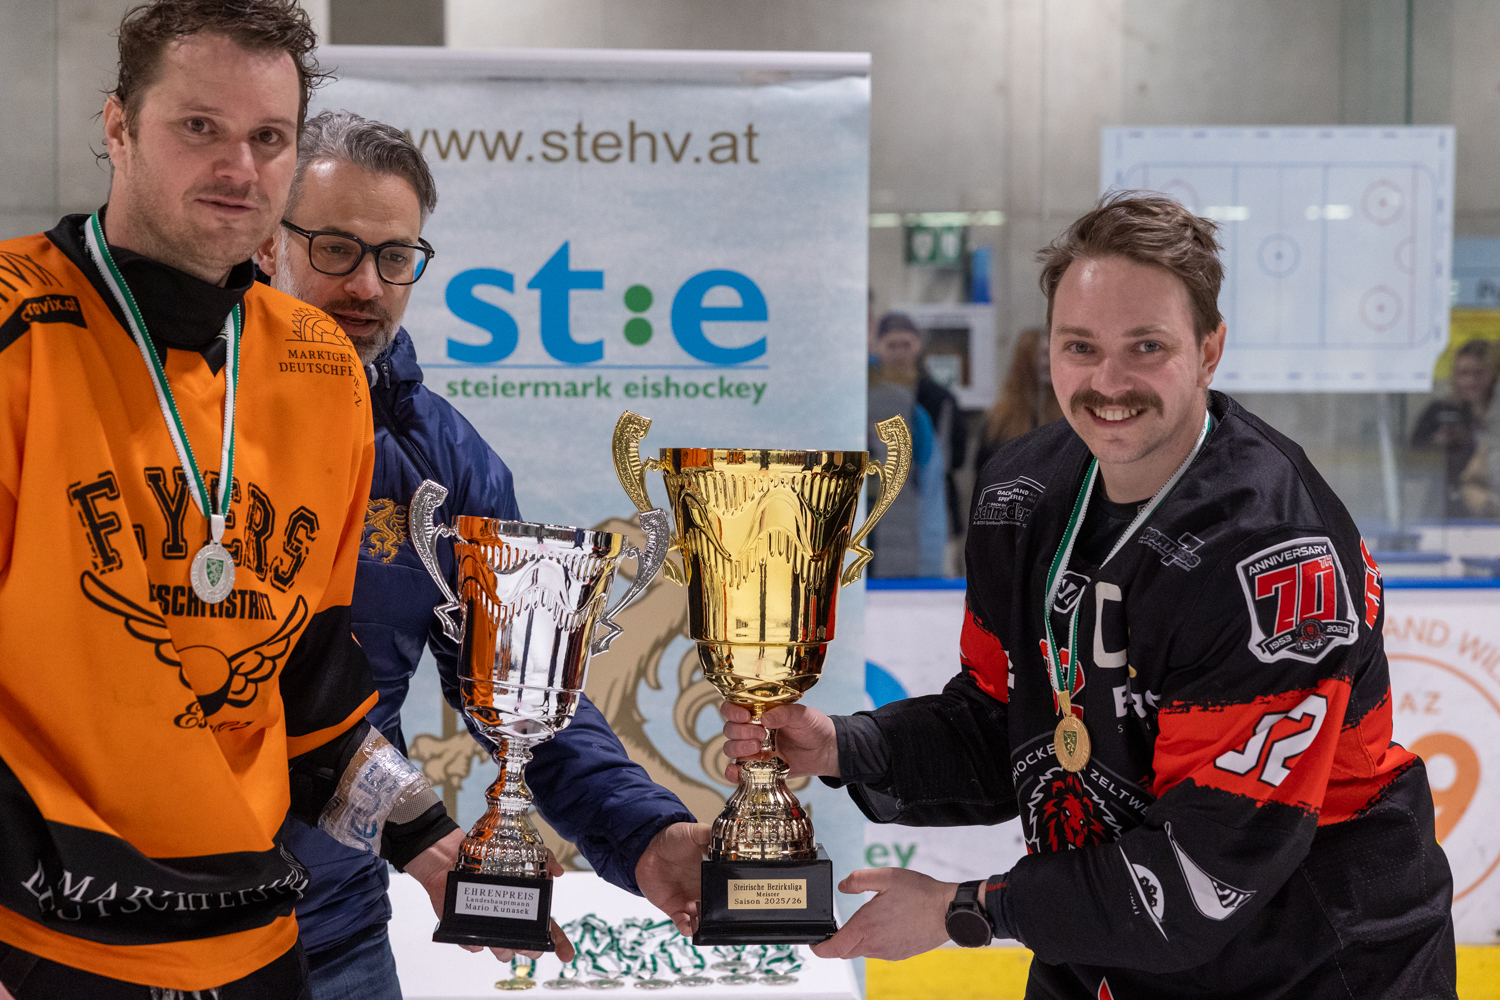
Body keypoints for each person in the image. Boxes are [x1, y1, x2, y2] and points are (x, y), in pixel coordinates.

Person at [722, 194, 1457, 998]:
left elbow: (1202, 876)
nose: (1109, 383)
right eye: (1080, 346)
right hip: (1108, 939)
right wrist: (843, 746)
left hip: (1310, 963)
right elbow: (1001, 722)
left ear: (1210, 350)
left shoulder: (1270, 556)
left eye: (1147, 347)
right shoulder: (1020, 494)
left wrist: (962, 909)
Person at [0, 3, 499, 996]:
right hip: (43, 945)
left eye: (268, 137)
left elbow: (309, 680)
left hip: (254, 944)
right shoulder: (16, 324)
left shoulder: (321, 368)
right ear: (117, 125)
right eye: (201, 126)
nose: (239, 167)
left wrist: (429, 841)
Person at [255, 109, 708, 999]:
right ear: (269, 240)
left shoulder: (444, 458)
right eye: (336, 249)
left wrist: (646, 835)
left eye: (396, 257)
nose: (368, 285)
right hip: (132, 928)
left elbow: (521, 687)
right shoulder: (181, 421)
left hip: (337, 935)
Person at [874, 312, 969, 539]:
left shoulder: (940, 399)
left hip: (934, 511)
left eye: (905, 344)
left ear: (917, 346)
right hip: (880, 514)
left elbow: (956, 457)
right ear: (878, 348)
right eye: (892, 345)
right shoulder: (867, 399)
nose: (899, 352)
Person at [1411, 339, 1498, 517]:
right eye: (1463, 373)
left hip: (1491, 513)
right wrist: (1435, 446)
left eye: (1478, 374)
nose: (1470, 381)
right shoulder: (1439, 411)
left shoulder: (1494, 417)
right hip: (1444, 514)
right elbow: (1412, 468)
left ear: (1492, 377)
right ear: (1454, 376)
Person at [976, 326, 1064, 472]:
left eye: (1054, 355)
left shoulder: (1067, 413)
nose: (1049, 362)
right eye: (1043, 355)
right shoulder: (1001, 419)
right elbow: (985, 469)